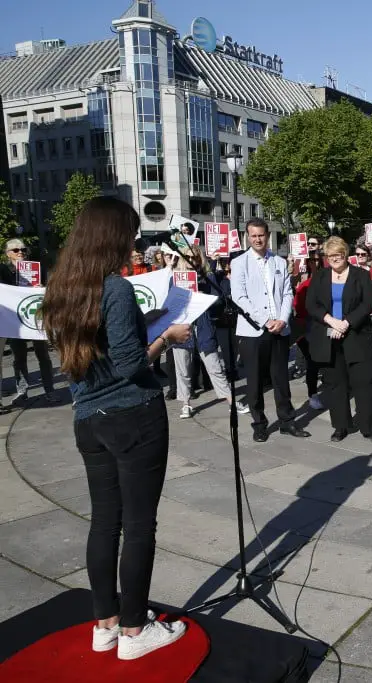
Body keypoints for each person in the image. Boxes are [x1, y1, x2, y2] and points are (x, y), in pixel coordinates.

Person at [41, 197, 191, 659]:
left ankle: (104, 623)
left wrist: (137, 327)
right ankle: (133, 631)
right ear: (110, 236)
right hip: (133, 417)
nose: (134, 244)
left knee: (104, 523)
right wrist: (166, 337)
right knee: (139, 525)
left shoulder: (63, 289)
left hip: (89, 420)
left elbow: (99, 351)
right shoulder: (115, 289)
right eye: (128, 233)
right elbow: (128, 365)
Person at [231, 218, 309, 442]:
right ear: (248, 236)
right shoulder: (239, 263)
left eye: (261, 235)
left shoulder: (278, 261)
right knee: (254, 381)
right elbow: (239, 297)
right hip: (252, 330)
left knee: (281, 378)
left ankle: (287, 421)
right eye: (253, 235)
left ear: (267, 236)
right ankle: (259, 423)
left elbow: (287, 293)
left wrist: (283, 319)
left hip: (279, 329)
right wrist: (265, 320)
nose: (257, 239)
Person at [306, 237, 372, 443]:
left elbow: (368, 302)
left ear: (345, 254)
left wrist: (346, 323)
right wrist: (331, 321)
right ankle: (341, 425)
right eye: (330, 256)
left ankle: (369, 427)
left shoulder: (360, 275)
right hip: (329, 337)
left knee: (364, 383)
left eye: (338, 255)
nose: (334, 260)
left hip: (356, 335)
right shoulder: (320, 276)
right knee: (334, 384)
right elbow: (311, 304)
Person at [170, 244, 242, 418]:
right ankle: (186, 404)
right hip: (181, 326)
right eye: (188, 256)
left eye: (195, 257)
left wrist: (203, 291)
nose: (191, 260)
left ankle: (231, 400)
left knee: (214, 365)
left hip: (203, 326)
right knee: (183, 368)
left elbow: (218, 301)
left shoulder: (207, 276)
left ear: (200, 259)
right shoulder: (174, 277)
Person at [1, 238, 57, 404]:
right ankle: (22, 391)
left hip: (35, 319)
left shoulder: (37, 269)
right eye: (16, 250)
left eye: (23, 250)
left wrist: (41, 287)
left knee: (43, 356)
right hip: (15, 321)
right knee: (19, 357)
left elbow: (49, 290)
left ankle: (50, 390)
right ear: (8, 254)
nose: (21, 253)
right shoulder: (4, 270)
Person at [291, 257, 322, 409]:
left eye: (317, 260)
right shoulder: (304, 286)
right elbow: (298, 308)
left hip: (324, 328)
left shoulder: (327, 283)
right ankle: (313, 395)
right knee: (312, 362)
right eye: (312, 261)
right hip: (306, 330)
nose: (315, 263)